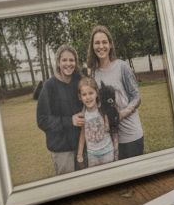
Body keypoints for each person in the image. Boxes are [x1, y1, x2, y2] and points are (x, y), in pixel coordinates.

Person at [87, 25, 145, 159]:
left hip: (131, 135)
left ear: (110, 45)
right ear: (92, 46)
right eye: (97, 43)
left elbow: (136, 96)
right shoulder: (94, 74)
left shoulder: (122, 66)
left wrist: (123, 113)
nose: (101, 46)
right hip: (110, 140)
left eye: (104, 42)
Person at [34, 45, 84, 176]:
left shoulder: (80, 81)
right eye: (64, 60)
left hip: (83, 146)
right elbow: (42, 120)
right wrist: (69, 121)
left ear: (76, 62)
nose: (68, 64)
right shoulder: (49, 86)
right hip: (62, 150)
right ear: (58, 62)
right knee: (70, 190)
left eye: (71, 60)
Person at [76, 76, 117, 168]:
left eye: (91, 93)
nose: (88, 97)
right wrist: (79, 154)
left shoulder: (103, 111)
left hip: (108, 153)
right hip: (92, 155)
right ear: (80, 97)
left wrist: (115, 150)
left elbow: (114, 130)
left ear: (97, 93)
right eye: (84, 94)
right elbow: (83, 134)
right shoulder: (82, 115)